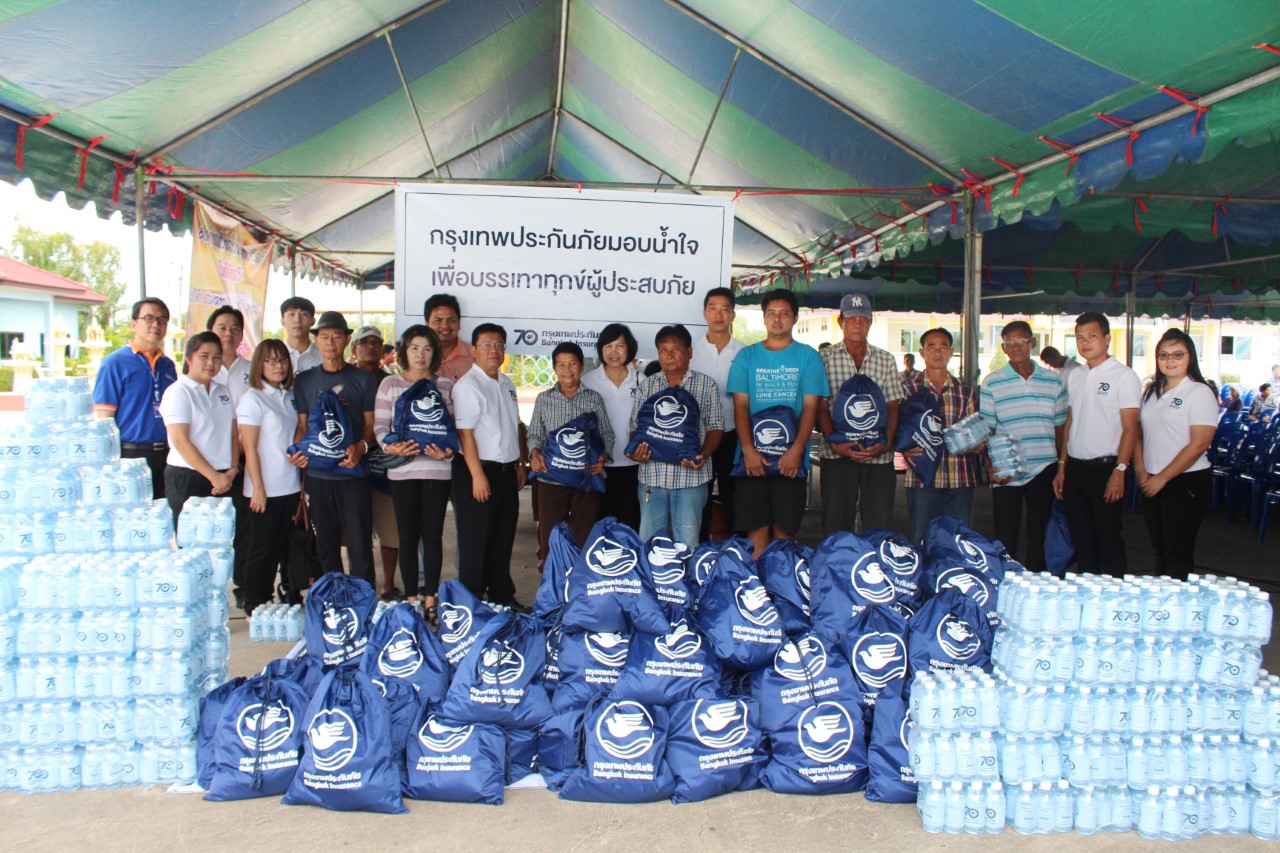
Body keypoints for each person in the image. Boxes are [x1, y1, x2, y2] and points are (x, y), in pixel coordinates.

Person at [727, 289, 826, 556]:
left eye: (784, 314)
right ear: (764, 318)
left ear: (794, 318)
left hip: (790, 461)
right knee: (756, 531)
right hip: (751, 461)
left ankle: (784, 591)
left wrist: (797, 451)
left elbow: (810, 407)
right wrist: (747, 449)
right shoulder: (747, 357)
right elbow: (741, 406)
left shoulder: (808, 357)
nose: (777, 319)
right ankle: (756, 594)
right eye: (771, 313)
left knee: (784, 533)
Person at [289, 311, 378, 584]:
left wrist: (361, 447)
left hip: (353, 475)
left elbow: (371, 425)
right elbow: (303, 427)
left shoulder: (363, 380)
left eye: (336, 336)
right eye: (324, 337)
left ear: (347, 340)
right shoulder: (304, 381)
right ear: (317, 340)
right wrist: (296, 452)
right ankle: (333, 598)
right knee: (325, 543)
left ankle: (363, 600)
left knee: (359, 542)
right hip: (318, 476)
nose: (330, 343)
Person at [375, 325, 455, 625]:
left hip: (437, 470)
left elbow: (454, 429)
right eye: (414, 348)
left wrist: (447, 452)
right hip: (403, 473)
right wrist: (391, 447)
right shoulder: (390, 386)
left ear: (434, 353)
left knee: (433, 536)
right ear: (404, 351)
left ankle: (431, 600)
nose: (420, 355)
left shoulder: (444, 385)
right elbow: (381, 427)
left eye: (427, 349)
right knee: (407, 537)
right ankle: (411, 600)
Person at [1052, 312, 1142, 575]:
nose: (1085, 342)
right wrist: (1062, 467)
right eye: (1080, 337)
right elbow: (1071, 421)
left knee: (1108, 538)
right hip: (1075, 468)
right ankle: (1086, 595)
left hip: (1106, 468)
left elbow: (1131, 428)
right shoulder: (1075, 375)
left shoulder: (1123, 376)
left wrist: (1120, 470)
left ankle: (1114, 597)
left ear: (1106, 339)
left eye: (1092, 336)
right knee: (1082, 539)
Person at [979, 320, 1068, 571]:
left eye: (1021, 341)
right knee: (1006, 533)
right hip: (1007, 468)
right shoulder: (991, 382)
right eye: (1009, 342)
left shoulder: (1054, 381)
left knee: (1040, 531)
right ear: (1004, 348)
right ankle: (1007, 581)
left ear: (1032, 343)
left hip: (1045, 466)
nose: (1015, 347)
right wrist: (990, 466)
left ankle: (1037, 582)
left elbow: (1060, 427)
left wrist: (1062, 467)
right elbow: (988, 429)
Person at [452, 323, 529, 610]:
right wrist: (477, 475)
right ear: (473, 350)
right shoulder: (468, 386)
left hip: (506, 470)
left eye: (499, 345)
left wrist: (520, 462)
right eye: (486, 345)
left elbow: (515, 424)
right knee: (475, 541)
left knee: (502, 536)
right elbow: (465, 433)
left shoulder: (506, 382)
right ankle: (470, 603)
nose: (493, 350)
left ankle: (500, 595)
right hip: (478, 471)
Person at [627, 325, 723, 550]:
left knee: (687, 545)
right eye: (663, 349)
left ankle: (686, 585)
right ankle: (652, 585)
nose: (669, 355)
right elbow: (635, 427)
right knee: (650, 543)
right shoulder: (648, 385)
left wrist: (704, 454)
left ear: (689, 352)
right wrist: (637, 451)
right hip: (652, 478)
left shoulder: (706, 385)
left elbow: (716, 427)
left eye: (676, 349)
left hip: (691, 479)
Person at [815, 293, 903, 535]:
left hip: (879, 456)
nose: (857, 324)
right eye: (851, 318)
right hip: (836, 456)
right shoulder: (823, 358)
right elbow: (821, 407)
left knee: (879, 522)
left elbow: (894, 405)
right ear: (840, 321)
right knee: (835, 523)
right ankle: (836, 569)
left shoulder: (885, 359)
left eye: (863, 319)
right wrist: (835, 443)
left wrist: (887, 444)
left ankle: (877, 568)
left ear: (871, 322)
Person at [1133, 329, 1218, 580]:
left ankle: (1176, 609)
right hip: (1151, 478)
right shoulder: (1151, 391)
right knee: (1160, 549)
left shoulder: (1199, 392)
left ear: (1190, 357)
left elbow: (1199, 444)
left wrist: (1163, 478)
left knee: (1177, 551)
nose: (1170, 360)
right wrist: (1140, 469)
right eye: (1164, 354)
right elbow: (1139, 433)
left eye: (1177, 354)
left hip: (1185, 481)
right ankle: (1162, 604)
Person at [528, 342, 613, 564]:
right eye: (562, 364)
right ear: (554, 368)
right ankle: (551, 590)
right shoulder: (544, 399)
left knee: (584, 538)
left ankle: (578, 591)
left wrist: (603, 457)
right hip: (551, 480)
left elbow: (607, 435)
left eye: (572, 364)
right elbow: (535, 435)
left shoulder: (593, 399)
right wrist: (534, 453)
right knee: (550, 537)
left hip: (586, 479)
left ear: (581, 366)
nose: (567, 369)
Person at [235, 339, 300, 616]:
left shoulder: (287, 395)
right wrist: (258, 488)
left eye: (283, 360)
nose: (278, 366)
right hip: (265, 488)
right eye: (271, 361)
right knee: (261, 549)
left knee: (282, 547)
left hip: (290, 484)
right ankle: (254, 602)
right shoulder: (253, 398)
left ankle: (281, 598)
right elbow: (248, 447)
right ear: (259, 364)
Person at [901, 328, 983, 544]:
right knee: (921, 540)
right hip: (922, 480)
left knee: (958, 542)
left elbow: (978, 432)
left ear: (951, 351)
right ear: (922, 352)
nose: (938, 352)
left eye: (943, 346)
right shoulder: (908, 389)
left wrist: (977, 444)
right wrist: (901, 447)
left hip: (960, 478)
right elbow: (897, 428)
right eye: (931, 346)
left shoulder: (965, 391)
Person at [94, 298, 178, 500]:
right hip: (131, 456)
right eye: (148, 318)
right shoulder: (115, 363)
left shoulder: (168, 366)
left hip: (166, 456)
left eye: (162, 320)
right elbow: (104, 419)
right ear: (133, 324)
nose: (156, 324)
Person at [159, 331, 238, 526]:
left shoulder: (223, 390)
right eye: (204, 356)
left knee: (221, 542)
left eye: (216, 358)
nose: (211, 363)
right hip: (188, 477)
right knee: (190, 544)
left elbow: (233, 434)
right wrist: (213, 476)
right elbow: (180, 441)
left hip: (224, 478)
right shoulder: (178, 392)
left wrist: (232, 470)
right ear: (189, 358)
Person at [207, 305, 253, 608]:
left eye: (235, 327)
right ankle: (209, 595)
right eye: (222, 327)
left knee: (245, 531)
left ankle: (245, 592)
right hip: (210, 462)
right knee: (211, 533)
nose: (228, 332)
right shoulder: (201, 370)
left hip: (246, 460)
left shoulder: (250, 368)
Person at [690, 287, 745, 541]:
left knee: (735, 499)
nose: (718, 314)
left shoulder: (745, 353)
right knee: (698, 500)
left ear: (733, 314)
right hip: (697, 439)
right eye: (713, 308)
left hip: (734, 436)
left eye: (725, 309)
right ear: (704, 313)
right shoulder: (690, 352)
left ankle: (736, 557)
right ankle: (698, 555)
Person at [351, 325, 400, 600]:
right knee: (355, 532)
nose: (371, 346)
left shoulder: (391, 382)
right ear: (354, 348)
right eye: (364, 342)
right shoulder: (345, 378)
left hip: (384, 467)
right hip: (350, 466)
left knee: (389, 530)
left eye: (376, 342)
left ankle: (389, 584)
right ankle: (360, 584)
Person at [580, 323, 642, 530]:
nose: (613, 352)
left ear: (629, 348)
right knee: (600, 526)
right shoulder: (587, 382)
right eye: (608, 346)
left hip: (634, 466)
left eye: (620, 346)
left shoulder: (642, 380)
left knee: (630, 524)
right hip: (599, 467)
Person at [424, 293, 474, 382]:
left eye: (451, 320)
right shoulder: (418, 355)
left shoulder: (475, 356)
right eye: (438, 320)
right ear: (427, 325)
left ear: (459, 323)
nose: (445, 325)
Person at [280, 296, 323, 374]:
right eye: (292, 314)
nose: (297, 320)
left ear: (313, 321)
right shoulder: (274, 358)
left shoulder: (324, 357)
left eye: (304, 314)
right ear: (283, 321)